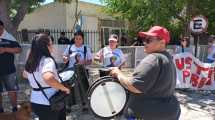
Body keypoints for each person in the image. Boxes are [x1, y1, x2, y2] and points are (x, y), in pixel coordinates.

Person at [110, 26, 181, 120]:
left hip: (146, 114)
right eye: (145, 39)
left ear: (162, 42)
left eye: (149, 40)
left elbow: (134, 86)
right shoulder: (168, 58)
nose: (144, 42)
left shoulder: (154, 58)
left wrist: (118, 73)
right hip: (169, 112)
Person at [22, 34, 70, 120]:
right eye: (51, 44)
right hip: (49, 102)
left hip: (35, 101)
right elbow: (48, 77)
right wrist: (63, 88)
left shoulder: (31, 60)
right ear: (45, 46)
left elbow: (25, 74)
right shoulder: (47, 60)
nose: (52, 47)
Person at [63, 31, 92, 111]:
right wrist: (66, 58)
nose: (78, 40)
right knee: (69, 88)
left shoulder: (86, 48)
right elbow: (64, 59)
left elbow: (90, 61)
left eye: (80, 39)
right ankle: (69, 105)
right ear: (74, 38)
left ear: (83, 39)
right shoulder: (70, 47)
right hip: (70, 71)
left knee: (84, 87)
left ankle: (85, 104)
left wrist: (84, 62)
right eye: (76, 38)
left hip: (82, 71)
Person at [0, 20, 21, 113]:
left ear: (3, 28)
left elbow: (19, 49)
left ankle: (14, 109)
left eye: (0, 29)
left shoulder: (9, 37)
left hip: (9, 71)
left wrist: (5, 49)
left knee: (12, 90)